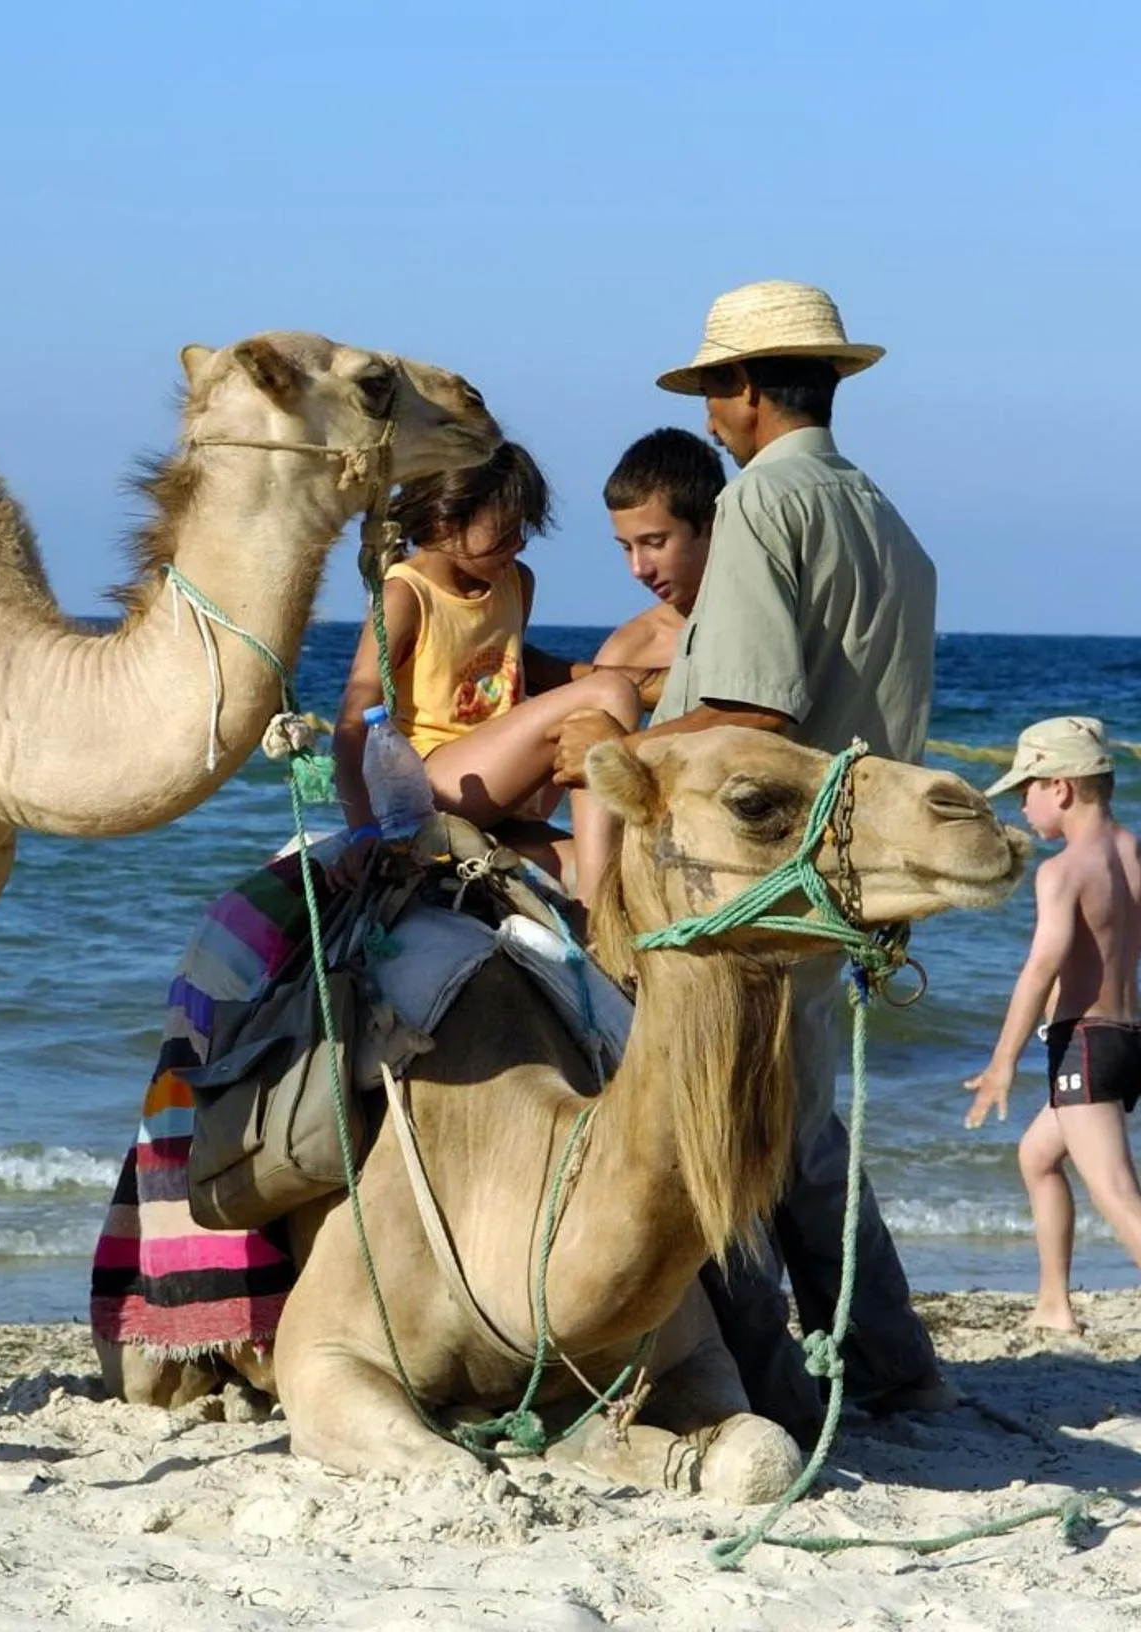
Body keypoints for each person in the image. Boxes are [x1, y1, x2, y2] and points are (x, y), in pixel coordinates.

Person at [550, 279, 953, 1433]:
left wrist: (609, 745)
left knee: (719, 1132)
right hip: (844, 873)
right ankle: (893, 1369)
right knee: (804, 1134)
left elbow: (748, 714)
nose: (712, 416)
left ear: (740, 389)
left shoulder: (767, 506)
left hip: (758, 873)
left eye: (712, 390)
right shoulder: (883, 515)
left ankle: (765, 1386)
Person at [961, 716, 1141, 1365]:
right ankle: (1053, 1306)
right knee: (1037, 1156)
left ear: (1060, 788)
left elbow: (1040, 968)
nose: (1020, 802)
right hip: (1130, 1044)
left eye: (1026, 788)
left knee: (1116, 1195)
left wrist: (1001, 1063)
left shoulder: (1061, 872)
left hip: (1084, 1048)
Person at [333, 441, 646, 894]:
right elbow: (351, 723)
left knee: (629, 880)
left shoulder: (516, 582)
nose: (519, 543)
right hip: (437, 788)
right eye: (506, 530)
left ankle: (598, 891)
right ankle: (594, 912)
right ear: (446, 520)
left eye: (523, 529)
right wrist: (363, 830)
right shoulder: (406, 593)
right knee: (611, 693)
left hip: (505, 799)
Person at [588, 427, 725, 686]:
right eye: (626, 548)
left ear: (710, 524)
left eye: (654, 543)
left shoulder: (783, 619)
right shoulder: (627, 652)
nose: (638, 569)